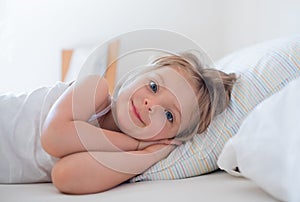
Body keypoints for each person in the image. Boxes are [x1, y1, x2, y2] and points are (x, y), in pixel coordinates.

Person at [0, 52, 236, 194]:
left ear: (171, 139)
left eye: (169, 115)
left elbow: (64, 176)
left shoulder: (120, 158)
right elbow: (54, 137)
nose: (150, 105)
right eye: (153, 86)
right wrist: (133, 145)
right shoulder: (95, 88)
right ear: (137, 74)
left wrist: (150, 155)